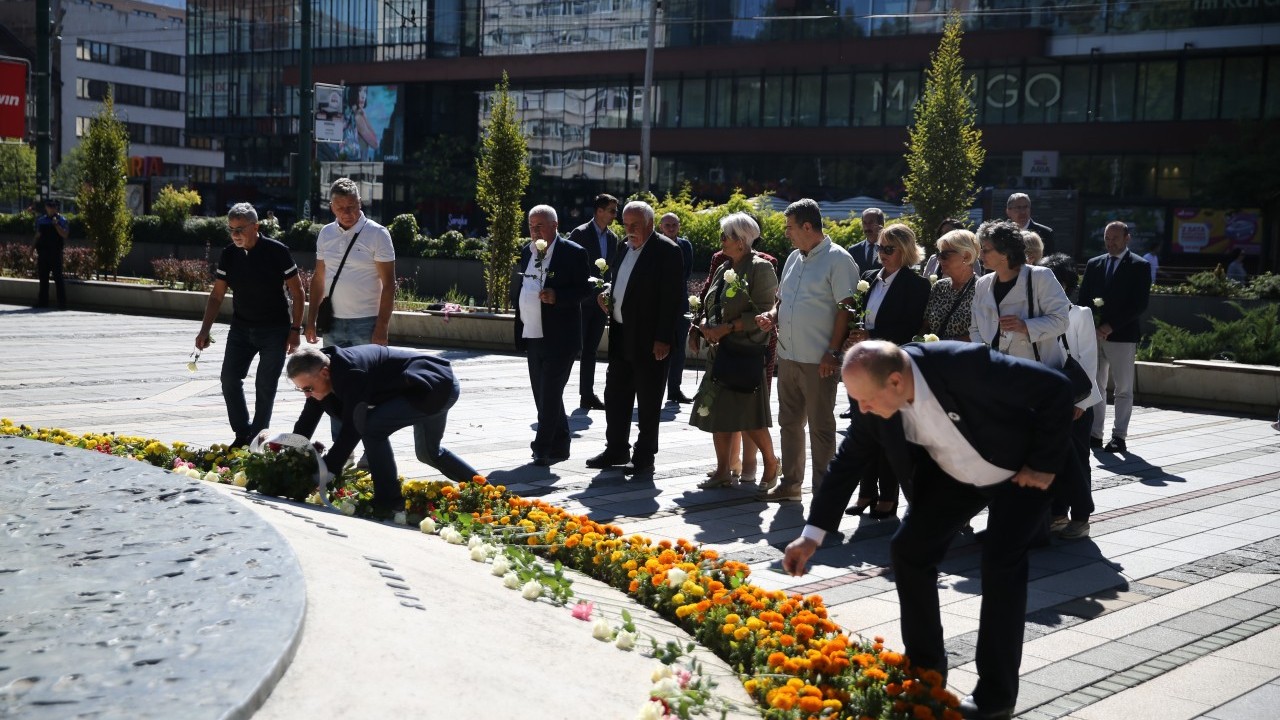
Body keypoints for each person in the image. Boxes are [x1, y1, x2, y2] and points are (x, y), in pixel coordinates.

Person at [782, 340, 1074, 720]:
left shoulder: (963, 366)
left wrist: (1043, 464)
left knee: (1002, 564)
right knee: (909, 550)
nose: (862, 409)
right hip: (954, 476)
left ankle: (996, 696)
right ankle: (926, 671)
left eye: (866, 400)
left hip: (1021, 473)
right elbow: (849, 460)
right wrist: (812, 535)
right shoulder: (875, 400)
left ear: (896, 381)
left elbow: (1057, 388)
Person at [287, 346, 479, 519]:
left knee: (372, 429)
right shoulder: (322, 369)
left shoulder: (351, 373)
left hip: (434, 386)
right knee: (428, 453)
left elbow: (354, 427)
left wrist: (326, 472)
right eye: (301, 390)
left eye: (308, 388)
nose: (307, 394)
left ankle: (389, 501)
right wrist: (289, 456)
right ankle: (482, 488)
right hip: (424, 385)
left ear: (325, 372)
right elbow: (308, 419)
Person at [754, 198, 860, 502]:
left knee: (821, 427)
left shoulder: (839, 259)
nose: (787, 233)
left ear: (808, 226)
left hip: (819, 360)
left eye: (790, 227)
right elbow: (781, 299)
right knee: (789, 423)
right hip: (788, 356)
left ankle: (824, 491)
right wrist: (772, 315)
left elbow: (847, 309)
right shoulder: (793, 258)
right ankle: (791, 485)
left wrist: (833, 351)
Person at [585, 200, 685, 474]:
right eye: (626, 225)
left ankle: (644, 456)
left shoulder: (667, 251)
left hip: (651, 340)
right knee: (615, 395)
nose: (629, 230)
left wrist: (663, 337)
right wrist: (608, 295)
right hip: (621, 335)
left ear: (650, 225)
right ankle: (616, 448)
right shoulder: (622, 247)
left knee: (649, 401)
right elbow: (621, 282)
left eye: (635, 225)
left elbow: (671, 299)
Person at [196, 203, 305, 447]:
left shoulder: (277, 251)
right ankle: (241, 433)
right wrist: (205, 330)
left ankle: (256, 439)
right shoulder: (229, 254)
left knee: (265, 385)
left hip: (274, 329)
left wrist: (295, 330)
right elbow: (216, 295)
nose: (235, 234)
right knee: (229, 379)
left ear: (256, 227)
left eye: (240, 229)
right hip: (241, 328)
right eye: (231, 229)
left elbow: (298, 292)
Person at [843, 222, 931, 519]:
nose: (882, 253)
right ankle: (865, 492)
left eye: (889, 249)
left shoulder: (916, 285)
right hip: (864, 365)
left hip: (891, 367)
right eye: (880, 247)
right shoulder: (869, 278)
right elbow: (859, 315)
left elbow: (908, 328)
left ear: (905, 251)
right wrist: (856, 333)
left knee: (888, 435)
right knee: (862, 431)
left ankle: (888, 497)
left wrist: (874, 335)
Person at [688, 212, 780, 490]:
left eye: (725, 237)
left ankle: (771, 462)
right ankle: (722, 471)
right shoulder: (722, 267)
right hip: (720, 352)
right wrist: (704, 323)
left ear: (741, 241)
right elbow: (710, 302)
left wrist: (726, 328)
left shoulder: (760, 268)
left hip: (743, 354)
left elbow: (764, 313)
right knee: (718, 413)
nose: (721, 241)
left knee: (748, 417)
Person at [513, 205, 592, 466]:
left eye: (540, 225)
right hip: (532, 331)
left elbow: (584, 289)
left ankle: (542, 447)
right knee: (544, 393)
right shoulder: (527, 251)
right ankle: (561, 444)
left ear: (555, 226)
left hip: (561, 336)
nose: (535, 230)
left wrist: (558, 297)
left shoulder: (573, 252)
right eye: (531, 225)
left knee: (549, 392)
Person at [1041, 253, 1104, 540]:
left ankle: (1081, 517)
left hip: (1077, 397)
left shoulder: (1080, 314)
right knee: (1051, 458)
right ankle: (1056, 514)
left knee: (1077, 460)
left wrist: (1079, 402)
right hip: (1049, 399)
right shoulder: (1036, 316)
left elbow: (1089, 359)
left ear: (1063, 283)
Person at [1077, 221, 1151, 454]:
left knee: (1123, 388)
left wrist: (1111, 326)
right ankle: (1095, 434)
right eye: (1107, 238)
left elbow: (1139, 304)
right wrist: (1090, 326)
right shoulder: (1094, 264)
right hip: (1094, 336)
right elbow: (1084, 298)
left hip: (1122, 336)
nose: (1110, 242)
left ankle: (1119, 436)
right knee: (1095, 386)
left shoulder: (1139, 265)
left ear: (1127, 238)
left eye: (1115, 238)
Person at [306, 177, 396, 348]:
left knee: (366, 374)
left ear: (359, 203)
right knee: (333, 374)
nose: (347, 213)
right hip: (332, 322)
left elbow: (389, 284)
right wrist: (311, 321)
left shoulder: (378, 234)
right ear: (331, 207)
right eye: (340, 208)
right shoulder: (326, 233)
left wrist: (382, 326)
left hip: (367, 322)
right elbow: (318, 278)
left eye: (351, 207)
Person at [970, 220, 1070, 365]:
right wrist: (986, 355)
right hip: (995, 372)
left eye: (985, 249)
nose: (980, 255)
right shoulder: (982, 283)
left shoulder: (1041, 277)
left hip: (1037, 372)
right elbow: (974, 328)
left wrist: (1025, 326)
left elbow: (1062, 320)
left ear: (1004, 253)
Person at [568, 193, 620, 411]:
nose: (615, 215)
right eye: (612, 210)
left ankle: (586, 394)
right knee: (571, 349)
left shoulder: (613, 238)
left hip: (601, 304)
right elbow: (569, 266)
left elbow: (613, 270)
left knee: (590, 350)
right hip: (581, 302)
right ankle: (554, 389)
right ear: (599, 211)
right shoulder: (579, 234)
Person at [659, 212, 695, 404]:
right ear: (660, 227)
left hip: (680, 302)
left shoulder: (685, 246)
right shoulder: (654, 245)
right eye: (667, 225)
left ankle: (674, 389)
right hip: (659, 303)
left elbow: (686, 272)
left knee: (679, 347)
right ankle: (655, 388)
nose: (671, 228)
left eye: (674, 225)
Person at [921, 228, 979, 341]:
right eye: (939, 254)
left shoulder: (982, 288)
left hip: (965, 356)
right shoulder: (939, 286)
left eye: (945, 254)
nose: (939, 259)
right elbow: (925, 326)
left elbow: (984, 334)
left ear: (966, 256)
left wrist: (945, 345)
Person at [33, 199, 70, 309]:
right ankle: (42, 302)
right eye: (49, 206)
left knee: (58, 278)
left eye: (53, 206)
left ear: (56, 208)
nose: (51, 208)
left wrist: (56, 225)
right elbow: (37, 236)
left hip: (56, 253)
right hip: (43, 253)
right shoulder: (41, 220)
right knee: (43, 278)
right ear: (46, 207)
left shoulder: (62, 220)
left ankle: (62, 303)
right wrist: (31, 249)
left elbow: (65, 235)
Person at [847, 207, 884, 274]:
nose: (867, 227)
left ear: (881, 224)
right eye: (864, 223)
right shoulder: (853, 251)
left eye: (871, 222)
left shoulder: (888, 250)